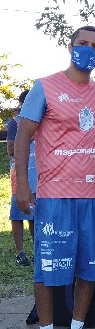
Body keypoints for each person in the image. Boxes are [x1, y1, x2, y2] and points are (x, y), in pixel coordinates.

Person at [14, 26, 95, 329]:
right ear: (70, 47)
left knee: (88, 267)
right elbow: (23, 136)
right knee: (49, 268)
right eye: (83, 44)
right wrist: (23, 185)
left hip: (93, 195)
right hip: (55, 196)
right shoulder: (45, 87)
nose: (89, 50)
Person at [6, 89, 37, 266]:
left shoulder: (40, 121)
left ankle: (36, 250)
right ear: (22, 104)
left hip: (38, 176)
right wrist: (28, 136)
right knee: (18, 214)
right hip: (19, 176)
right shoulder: (15, 123)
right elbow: (10, 149)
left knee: (34, 215)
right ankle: (20, 253)